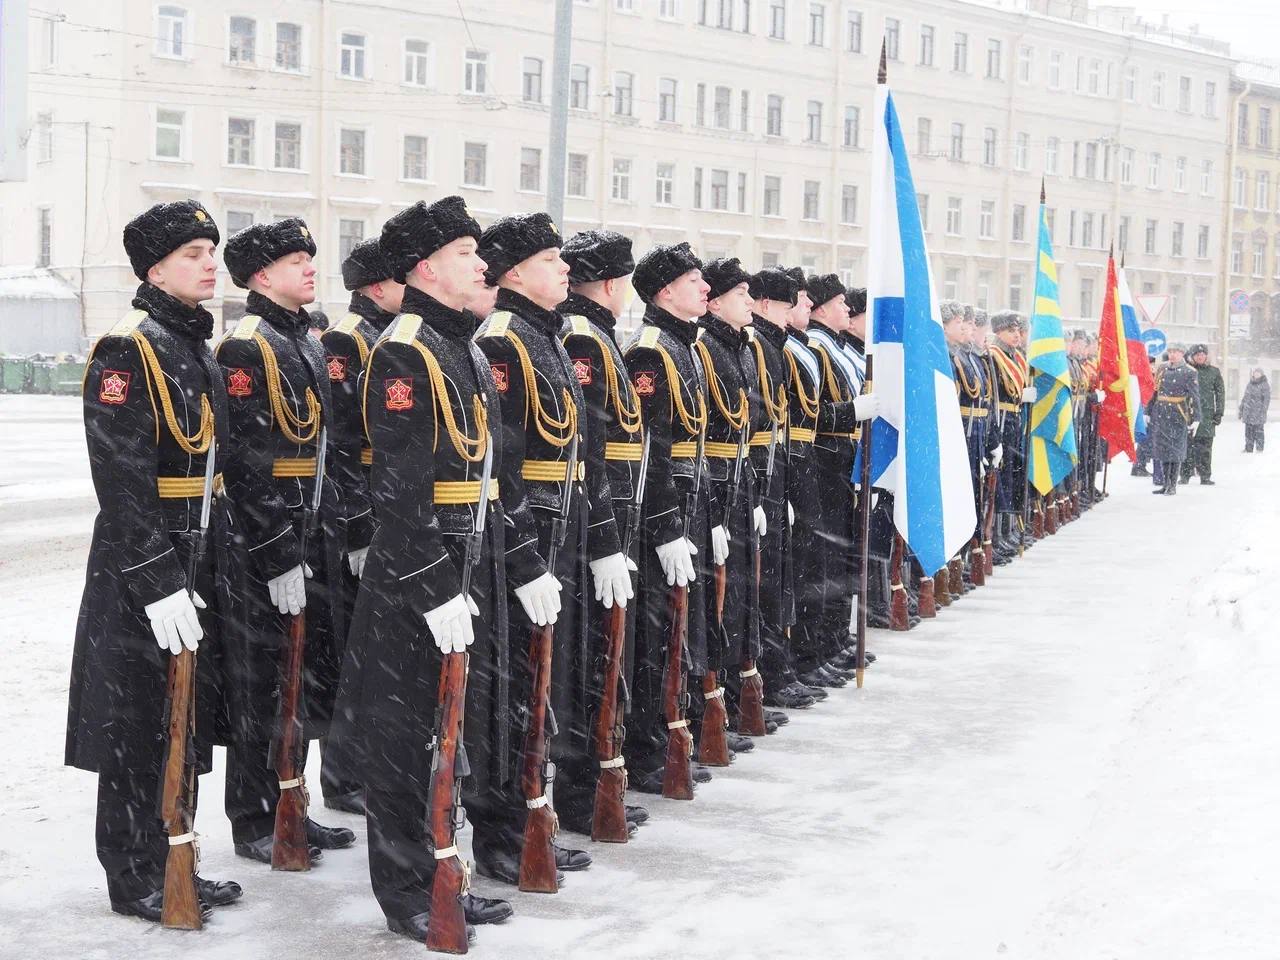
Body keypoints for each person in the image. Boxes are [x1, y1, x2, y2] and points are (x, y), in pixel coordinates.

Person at [328, 196, 514, 942]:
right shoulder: (405, 350)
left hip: (467, 560)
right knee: (406, 741)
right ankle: (408, 890)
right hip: (419, 573)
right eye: (467, 253)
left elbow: (484, 473)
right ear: (427, 268)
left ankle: (445, 872)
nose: (482, 264)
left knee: (450, 731)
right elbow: (400, 488)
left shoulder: (458, 344)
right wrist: (435, 587)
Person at [66, 199, 241, 922]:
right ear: (155, 270)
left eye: (211, 251)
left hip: (198, 551)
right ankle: (133, 870)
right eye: (193, 254)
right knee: (136, 723)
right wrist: (158, 579)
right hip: (146, 564)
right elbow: (121, 479)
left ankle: (176, 855)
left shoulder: (192, 342)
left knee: (184, 716)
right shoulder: (129, 349)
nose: (209, 264)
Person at [476, 213, 630, 871]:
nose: (566, 269)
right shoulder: (504, 341)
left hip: (562, 528)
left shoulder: (548, 335)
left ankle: (537, 811)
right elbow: (502, 467)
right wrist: (523, 558)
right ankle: (503, 833)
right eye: (549, 260)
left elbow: (584, 452)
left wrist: (602, 539)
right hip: (527, 537)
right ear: (514, 273)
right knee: (513, 688)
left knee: (550, 681)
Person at [216, 218, 369, 865]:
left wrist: (342, 530)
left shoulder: (303, 339)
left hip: (313, 529)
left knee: (302, 676)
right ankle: (256, 817)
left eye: (311, 257)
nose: (310, 267)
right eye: (295, 260)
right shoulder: (246, 346)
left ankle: (291, 802)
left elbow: (327, 448)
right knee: (264, 683)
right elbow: (246, 461)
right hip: (266, 540)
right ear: (261, 275)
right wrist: (278, 551)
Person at [558, 228, 655, 827]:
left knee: (601, 658)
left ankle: (595, 780)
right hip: (596, 510)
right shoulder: (584, 338)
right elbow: (591, 443)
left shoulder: (595, 334)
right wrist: (605, 536)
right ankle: (580, 792)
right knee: (588, 661)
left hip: (611, 507)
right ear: (614, 284)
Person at [622, 242, 718, 792]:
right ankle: (645, 748)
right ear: (664, 292)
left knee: (680, 629)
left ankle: (666, 736)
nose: (705, 289)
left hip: (691, 503)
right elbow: (651, 451)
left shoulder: (685, 346)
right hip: (665, 509)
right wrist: (664, 529)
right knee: (654, 635)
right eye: (693, 281)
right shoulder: (652, 352)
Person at [315, 237, 404, 816]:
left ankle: (363, 766)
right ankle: (343, 775)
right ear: (376, 287)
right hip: (362, 509)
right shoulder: (348, 340)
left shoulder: (388, 335)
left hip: (384, 505)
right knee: (352, 650)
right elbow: (343, 444)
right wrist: (356, 527)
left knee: (376, 653)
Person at [693, 257, 766, 755]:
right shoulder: (705, 348)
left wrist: (754, 497)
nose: (749, 302)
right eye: (740, 294)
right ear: (716, 304)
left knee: (738, 598)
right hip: (715, 484)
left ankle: (733, 702)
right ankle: (710, 708)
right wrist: (716, 514)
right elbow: (703, 436)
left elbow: (749, 426)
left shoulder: (740, 348)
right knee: (715, 607)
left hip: (740, 481)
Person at [748, 268, 817, 711]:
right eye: (788, 304)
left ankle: (778, 670)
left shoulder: (772, 345)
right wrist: (760, 494)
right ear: (767, 305)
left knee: (779, 577)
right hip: (757, 475)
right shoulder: (758, 345)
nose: (795, 311)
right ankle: (769, 675)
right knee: (766, 582)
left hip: (776, 472)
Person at [1145, 343, 1201, 496]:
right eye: (1170, 352)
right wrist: (1148, 411)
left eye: (1176, 352)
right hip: (1161, 413)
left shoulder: (1189, 372)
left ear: (1182, 354)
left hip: (1178, 413)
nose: (1172, 355)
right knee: (1163, 450)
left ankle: (1172, 485)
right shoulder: (1162, 368)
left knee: (1175, 451)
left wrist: (1196, 418)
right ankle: (1165, 484)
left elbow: (1195, 396)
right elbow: (1154, 391)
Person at [1183, 344, 1225, 485]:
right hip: (1189, 414)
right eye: (1197, 354)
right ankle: (1185, 475)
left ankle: (1205, 476)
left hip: (1207, 416)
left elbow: (1220, 394)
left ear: (1206, 356)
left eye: (1202, 354)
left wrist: (1219, 412)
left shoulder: (1214, 372)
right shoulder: (1187, 371)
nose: (1200, 357)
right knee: (1187, 447)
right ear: (1192, 356)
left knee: (1205, 448)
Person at [1240, 368, 1271, 452]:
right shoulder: (1250, 384)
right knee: (1248, 432)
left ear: (1261, 374)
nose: (1256, 374)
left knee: (1259, 432)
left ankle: (1259, 449)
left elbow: (1266, 399)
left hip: (1258, 413)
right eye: (1255, 373)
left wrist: (1263, 410)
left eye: (1258, 373)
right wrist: (1241, 409)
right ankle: (1248, 448)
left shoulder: (1264, 384)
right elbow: (1245, 398)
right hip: (1248, 412)